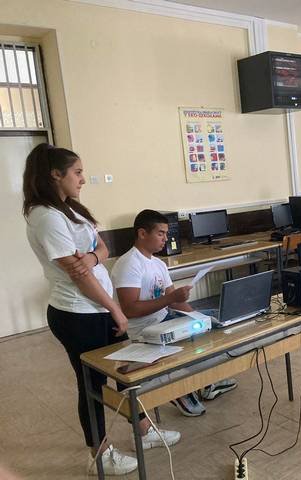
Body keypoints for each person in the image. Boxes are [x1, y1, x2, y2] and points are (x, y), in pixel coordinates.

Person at [23, 144, 180, 476]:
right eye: (77, 172)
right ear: (55, 174)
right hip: (77, 314)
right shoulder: (46, 216)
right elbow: (79, 276)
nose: (83, 179)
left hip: (97, 309)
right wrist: (116, 310)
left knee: (126, 369)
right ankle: (99, 453)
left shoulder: (70, 209)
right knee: (91, 383)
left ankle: (144, 431)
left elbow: (102, 247)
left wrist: (92, 257)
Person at [111, 210, 238, 417]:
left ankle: (207, 382)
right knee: (194, 338)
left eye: (166, 233)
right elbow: (130, 309)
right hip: (144, 331)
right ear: (142, 234)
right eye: (160, 233)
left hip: (165, 319)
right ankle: (178, 386)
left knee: (213, 320)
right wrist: (171, 299)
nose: (165, 239)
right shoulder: (129, 263)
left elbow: (175, 301)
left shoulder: (158, 264)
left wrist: (199, 317)